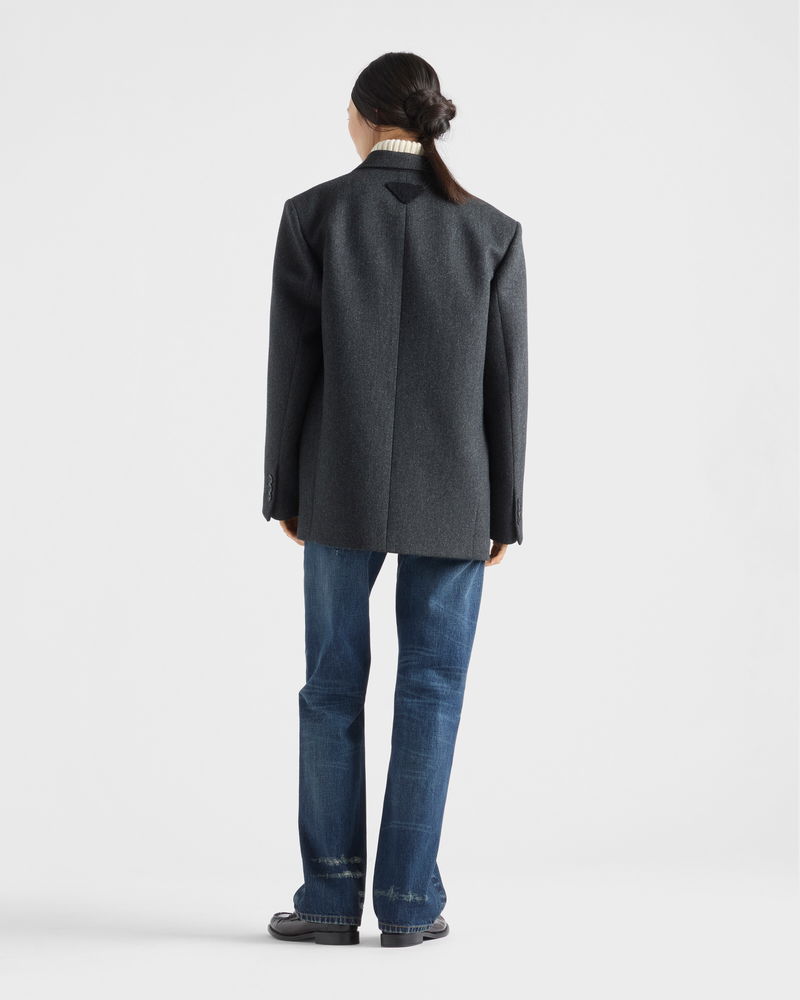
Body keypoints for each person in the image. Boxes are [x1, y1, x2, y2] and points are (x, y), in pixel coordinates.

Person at [263, 51, 528, 947]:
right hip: (457, 493)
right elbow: (506, 384)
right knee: (433, 690)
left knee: (330, 687)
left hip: (335, 486)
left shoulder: (312, 215)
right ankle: (410, 906)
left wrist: (283, 489)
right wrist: (505, 509)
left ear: (363, 116)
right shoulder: (491, 231)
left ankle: (329, 897)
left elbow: (291, 368)